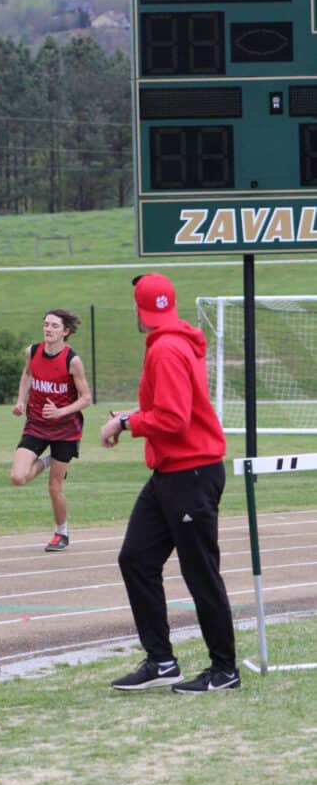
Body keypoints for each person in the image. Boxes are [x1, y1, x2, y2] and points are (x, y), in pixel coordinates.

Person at [100, 273, 239, 694]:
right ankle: (161, 661)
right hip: (171, 472)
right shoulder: (178, 341)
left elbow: (174, 419)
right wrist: (132, 417)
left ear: (140, 312)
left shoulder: (165, 349)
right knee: (136, 559)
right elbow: (173, 408)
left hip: (191, 472)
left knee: (200, 574)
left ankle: (224, 669)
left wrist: (127, 422)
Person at [11, 308, 92, 552]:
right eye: (46, 324)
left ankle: (61, 533)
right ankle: (48, 461)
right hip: (36, 423)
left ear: (66, 331)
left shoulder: (72, 361)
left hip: (65, 429)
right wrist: (20, 400)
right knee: (17, 477)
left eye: (54, 326)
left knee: (54, 486)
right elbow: (27, 375)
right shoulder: (32, 351)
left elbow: (86, 399)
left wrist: (61, 411)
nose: (48, 329)